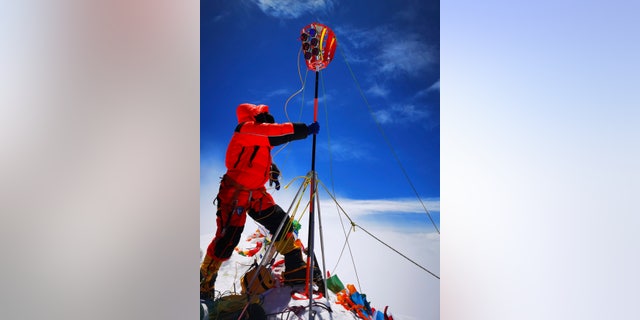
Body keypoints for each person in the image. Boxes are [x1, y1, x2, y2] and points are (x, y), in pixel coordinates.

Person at [200, 103, 320, 300]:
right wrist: (303, 130)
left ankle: (294, 267)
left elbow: (259, 153)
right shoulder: (245, 129)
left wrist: (270, 170)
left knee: (281, 221)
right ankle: (205, 282)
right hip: (234, 193)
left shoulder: (260, 138)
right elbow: (274, 133)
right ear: (254, 117)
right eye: (263, 116)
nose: (268, 119)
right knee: (227, 238)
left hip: (256, 192)